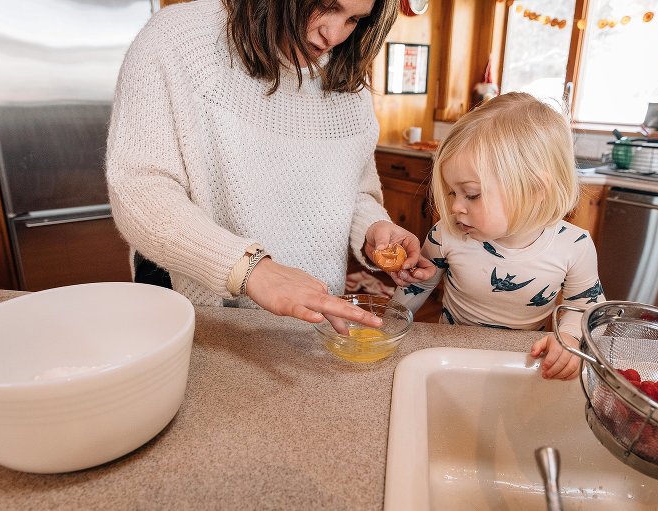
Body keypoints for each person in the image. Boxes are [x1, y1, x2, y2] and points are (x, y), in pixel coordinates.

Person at [106, 0, 435, 330]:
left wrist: (374, 228)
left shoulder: (347, 82)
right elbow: (139, 188)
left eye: (353, 20)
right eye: (325, 6)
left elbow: (354, 191)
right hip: (200, 310)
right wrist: (249, 269)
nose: (333, 35)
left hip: (311, 321)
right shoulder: (176, 39)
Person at [392, 92, 605, 380]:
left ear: (534, 189)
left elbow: (586, 307)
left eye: (472, 194)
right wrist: (388, 326)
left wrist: (568, 338)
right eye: (453, 192)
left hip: (522, 364)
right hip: (449, 358)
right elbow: (417, 286)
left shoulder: (574, 246)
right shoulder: (447, 234)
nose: (455, 206)